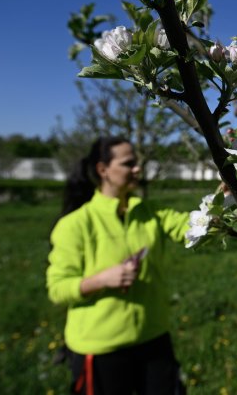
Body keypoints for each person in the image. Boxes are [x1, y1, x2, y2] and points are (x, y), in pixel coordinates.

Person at [47, 136, 190, 395]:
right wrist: (102, 280)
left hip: (153, 337)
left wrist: (225, 195)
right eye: (129, 163)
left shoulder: (151, 213)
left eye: (136, 163)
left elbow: (194, 229)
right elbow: (57, 288)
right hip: (101, 347)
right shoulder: (76, 225)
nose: (137, 169)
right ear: (103, 170)